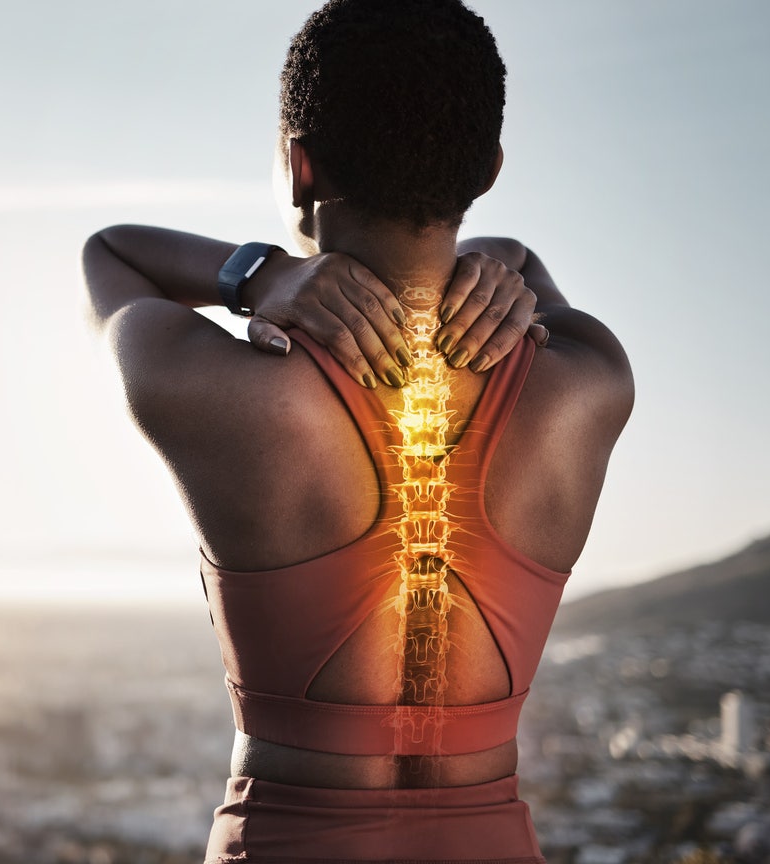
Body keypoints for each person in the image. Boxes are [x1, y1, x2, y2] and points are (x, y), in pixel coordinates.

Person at [81, 1, 633, 861]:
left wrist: (256, 273)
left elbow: (111, 253)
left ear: (300, 167)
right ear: (487, 169)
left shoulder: (219, 389)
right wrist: (504, 264)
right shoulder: (589, 381)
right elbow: (519, 259)